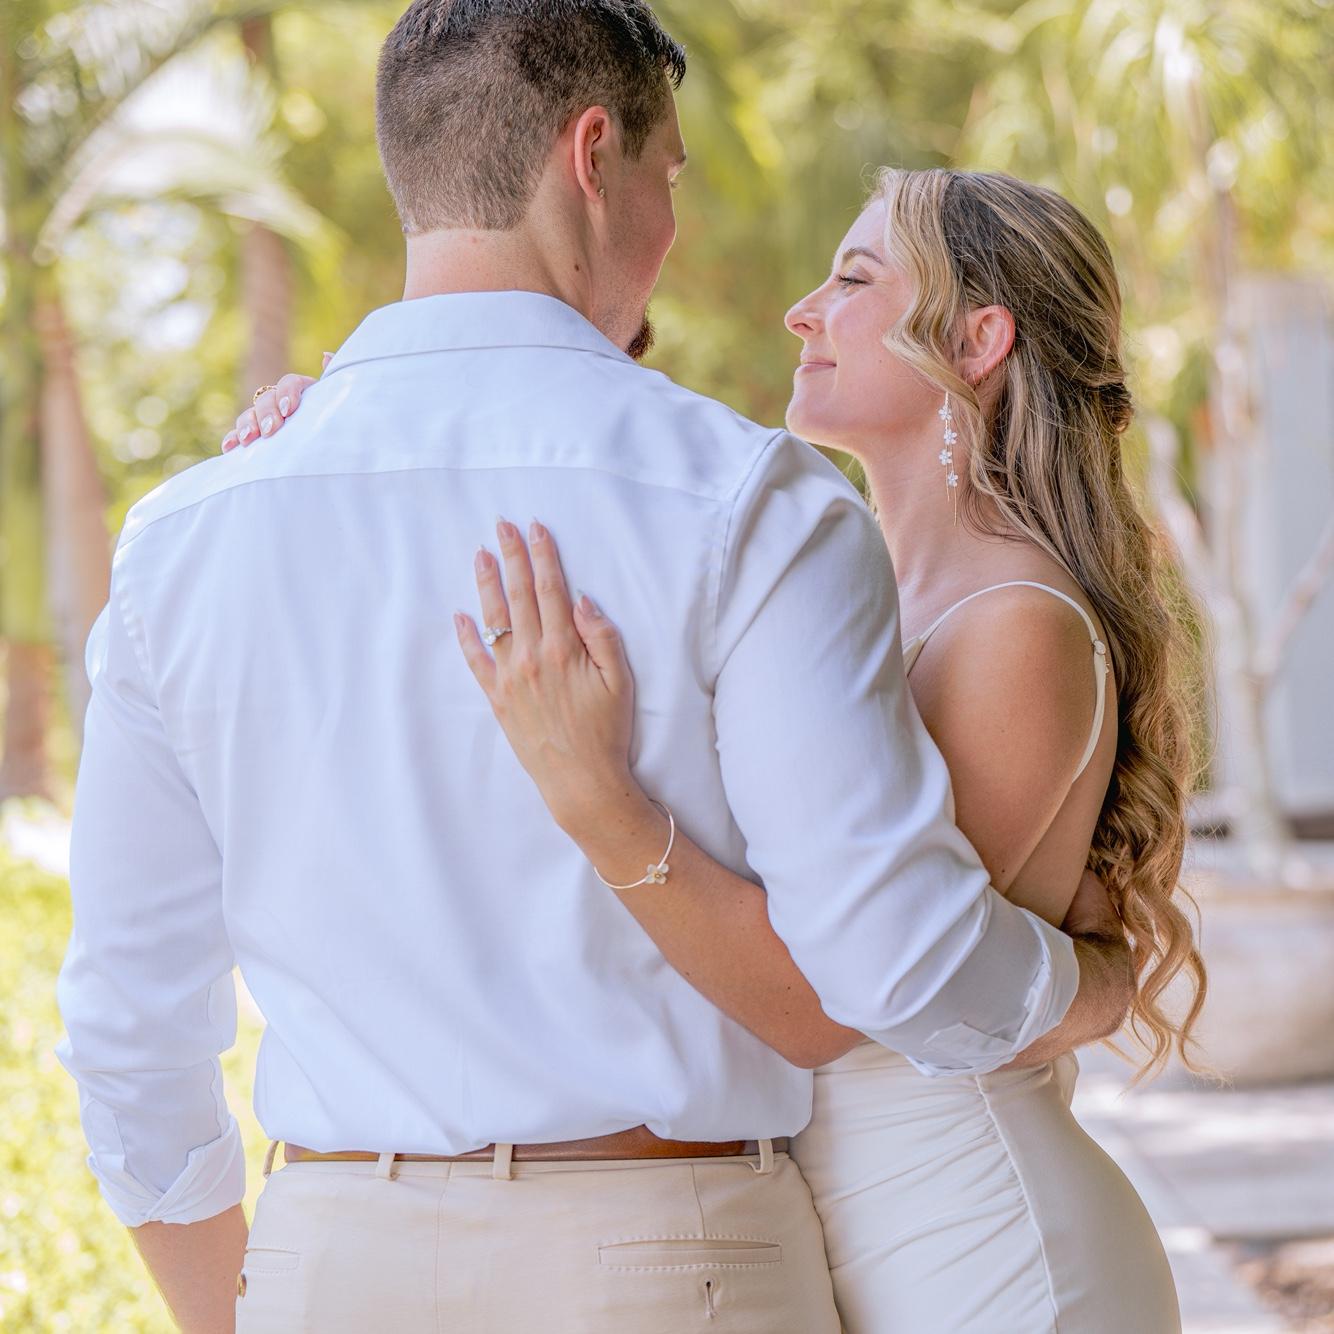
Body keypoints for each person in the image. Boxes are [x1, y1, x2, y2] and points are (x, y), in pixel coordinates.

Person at [59, 3, 1133, 1332]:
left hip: (330, 1256)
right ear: (592, 157)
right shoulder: (756, 504)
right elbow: (883, 961)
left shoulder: (186, 535)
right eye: (665, 176)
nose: (672, 229)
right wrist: (1090, 981)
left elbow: (126, 1022)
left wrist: (243, 1309)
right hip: (666, 1253)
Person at [250, 168, 1206, 1332]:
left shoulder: (1016, 624)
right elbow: (598, 496)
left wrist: (600, 799)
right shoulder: (833, 596)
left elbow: (864, 982)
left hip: (977, 1240)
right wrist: (345, 420)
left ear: (975, 338)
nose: (802, 310)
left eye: (853, 280)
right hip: (837, 1230)